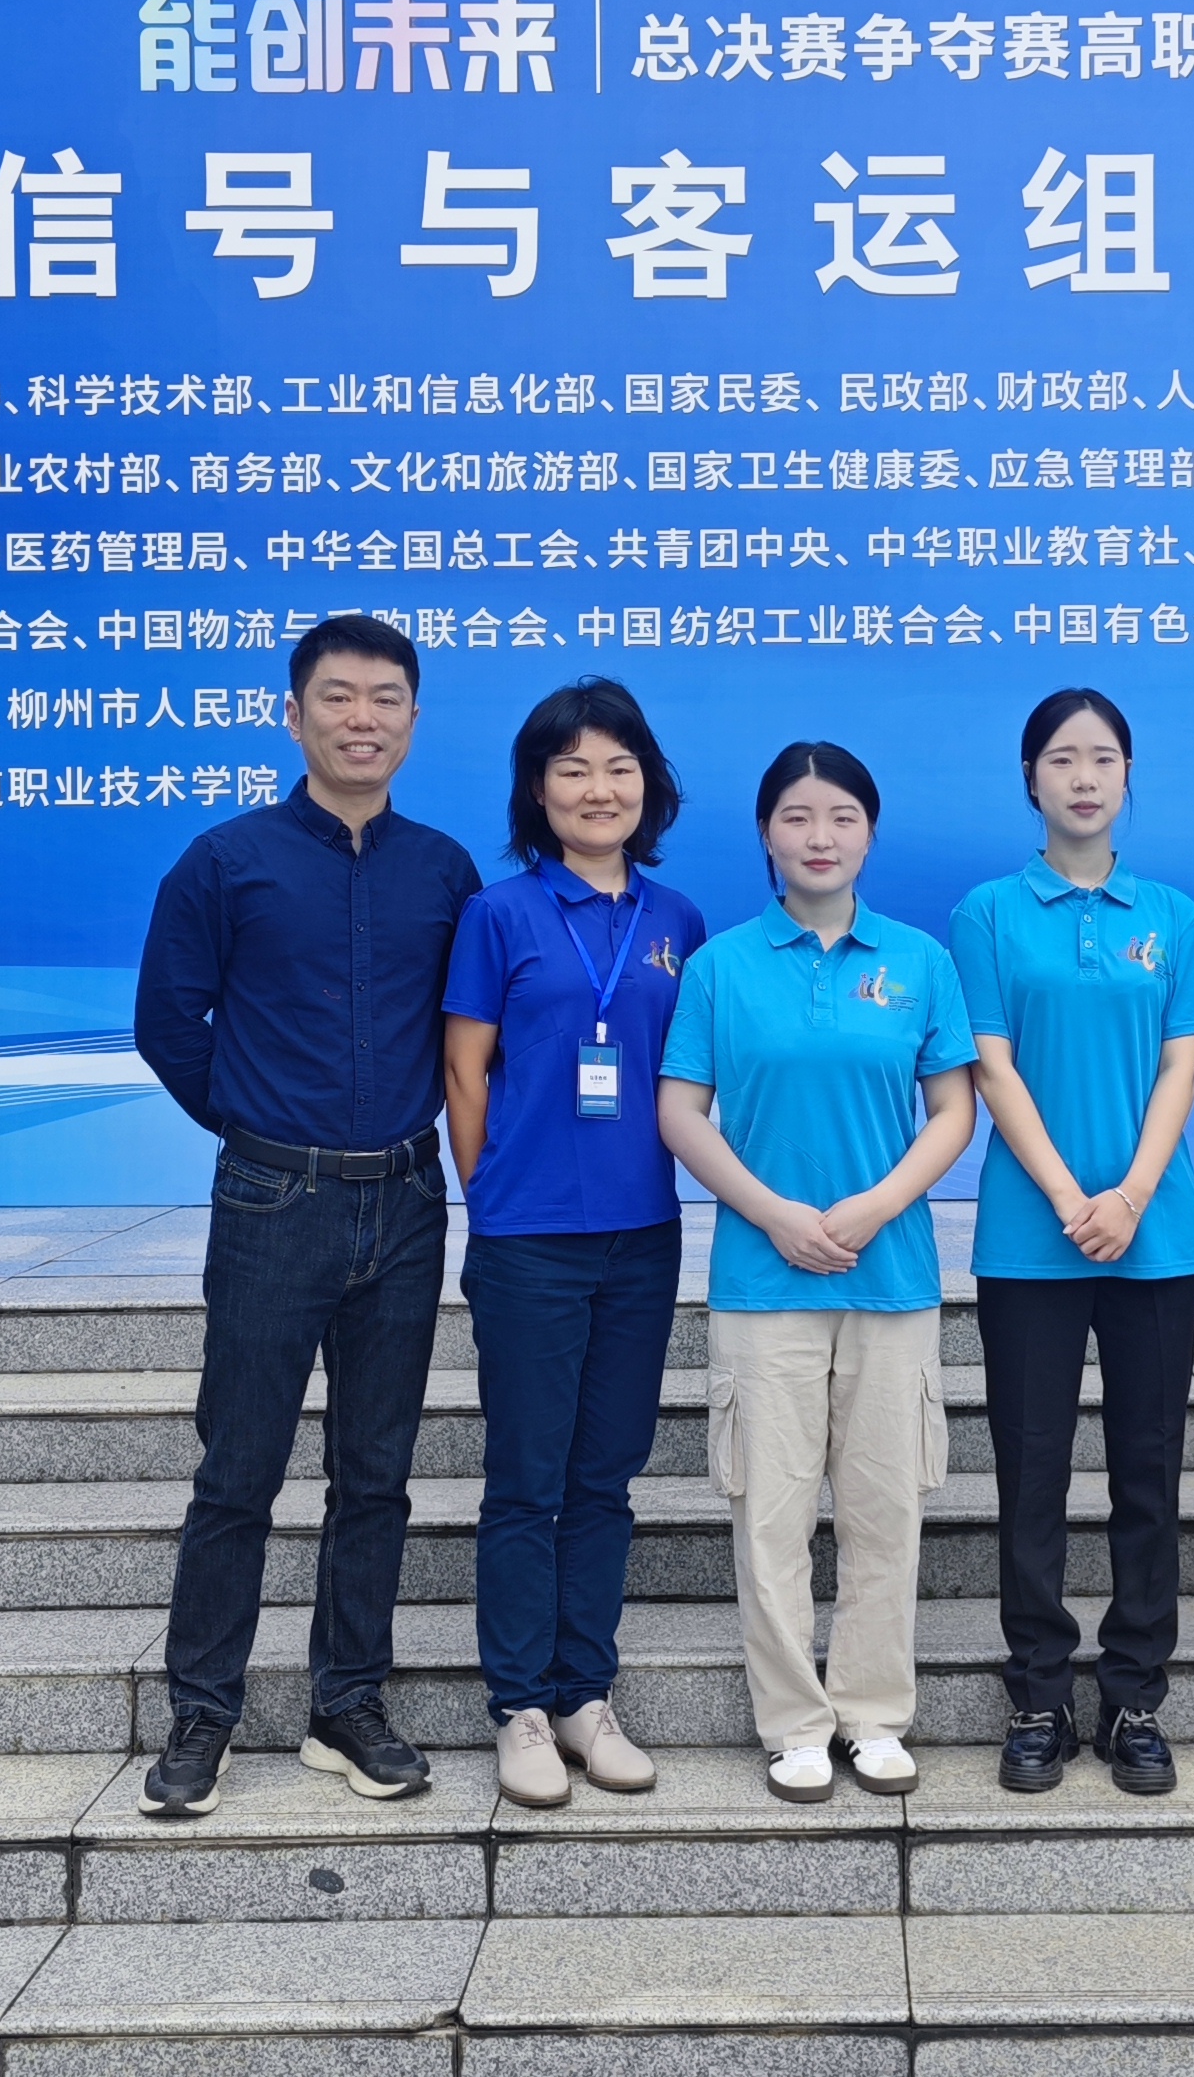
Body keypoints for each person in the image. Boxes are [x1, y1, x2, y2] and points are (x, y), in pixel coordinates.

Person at [130, 615, 486, 1820]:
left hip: (406, 1198)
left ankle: (349, 1704)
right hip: (273, 1199)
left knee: (375, 1472)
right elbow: (168, 1023)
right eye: (337, 697)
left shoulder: (443, 870)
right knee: (239, 1468)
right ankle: (203, 1712)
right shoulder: (224, 861)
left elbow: (469, 1034)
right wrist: (256, 1123)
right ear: (293, 715)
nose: (361, 719)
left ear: (413, 721)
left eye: (385, 699)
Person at [659, 741, 977, 1805]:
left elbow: (952, 1110)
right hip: (764, 1284)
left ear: (869, 833)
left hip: (890, 1280)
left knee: (886, 1513)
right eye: (796, 817)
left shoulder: (921, 962)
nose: (820, 836)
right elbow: (680, 1112)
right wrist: (775, 1215)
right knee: (771, 1518)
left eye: (841, 815)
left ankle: (874, 1716)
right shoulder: (721, 967)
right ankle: (795, 1725)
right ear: (766, 834)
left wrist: (877, 1205)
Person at [441, 679, 706, 1807]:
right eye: (572, 770)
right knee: (526, 1479)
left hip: (642, 1235)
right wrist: (493, 1194)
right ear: (537, 791)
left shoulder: (677, 921)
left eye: (619, 768)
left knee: (605, 1475)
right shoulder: (498, 914)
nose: (599, 789)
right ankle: (518, 1705)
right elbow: (465, 1072)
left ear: (649, 785)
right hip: (529, 1240)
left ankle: (584, 1695)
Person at [949, 689, 1194, 1797]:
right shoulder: (987, 914)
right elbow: (992, 1067)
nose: (1085, 776)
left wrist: (1132, 1195)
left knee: (1149, 1470)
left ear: (1129, 774)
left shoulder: (1176, 917)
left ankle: (1136, 1697)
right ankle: (1039, 1695)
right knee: (1033, 1472)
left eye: (1104, 757)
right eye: (1062, 758)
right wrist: (1070, 1198)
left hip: (1154, 1236)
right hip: (1031, 1237)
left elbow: (1180, 1065)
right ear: (1031, 779)